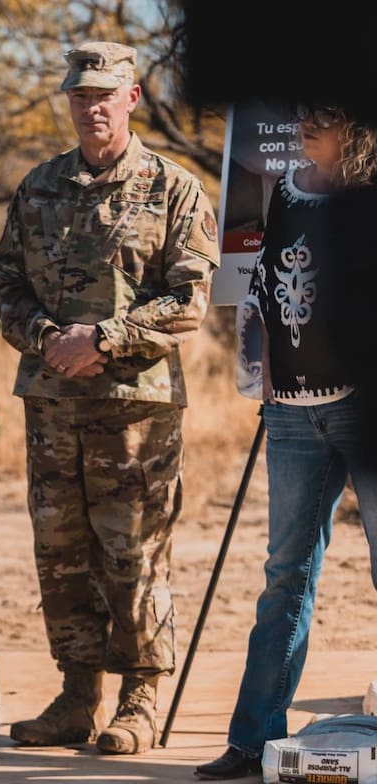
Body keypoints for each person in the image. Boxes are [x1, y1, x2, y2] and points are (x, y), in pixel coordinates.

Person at [0, 41, 220, 754]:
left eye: (104, 94)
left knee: (134, 552)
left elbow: (190, 298)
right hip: (53, 403)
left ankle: (140, 698)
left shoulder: (172, 188)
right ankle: (76, 695)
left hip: (136, 408)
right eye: (79, 95)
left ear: (133, 97)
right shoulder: (38, 187)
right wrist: (49, 339)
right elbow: (7, 287)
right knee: (60, 553)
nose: (91, 107)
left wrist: (107, 338)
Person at [194, 103, 377, 780]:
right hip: (294, 414)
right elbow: (269, 290)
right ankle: (252, 741)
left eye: (324, 114)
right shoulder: (286, 192)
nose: (306, 123)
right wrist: (269, 381)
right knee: (285, 577)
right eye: (303, 111)